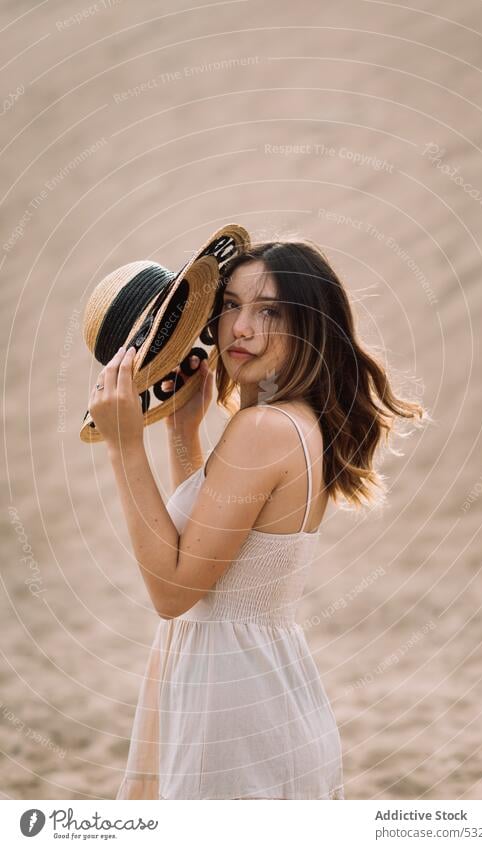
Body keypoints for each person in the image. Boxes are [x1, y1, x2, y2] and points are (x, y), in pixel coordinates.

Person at [89, 237, 427, 799]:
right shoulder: (287, 422)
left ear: (310, 328)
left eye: (268, 310)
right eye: (230, 306)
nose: (240, 328)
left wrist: (125, 447)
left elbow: (174, 591)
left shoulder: (264, 431)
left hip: (232, 712)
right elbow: (209, 560)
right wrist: (181, 435)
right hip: (255, 691)